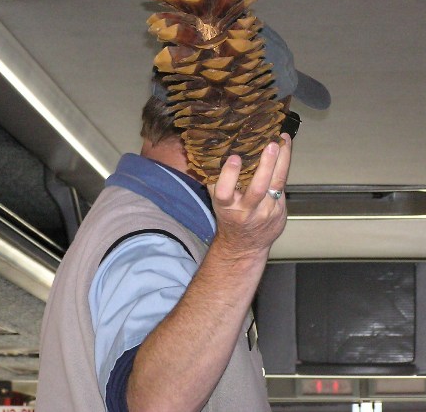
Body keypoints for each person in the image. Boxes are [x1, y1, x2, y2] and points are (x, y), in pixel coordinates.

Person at [35, 25, 330, 412]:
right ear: (241, 133)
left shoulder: (148, 224)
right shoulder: (149, 242)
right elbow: (155, 404)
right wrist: (242, 251)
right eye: (285, 126)